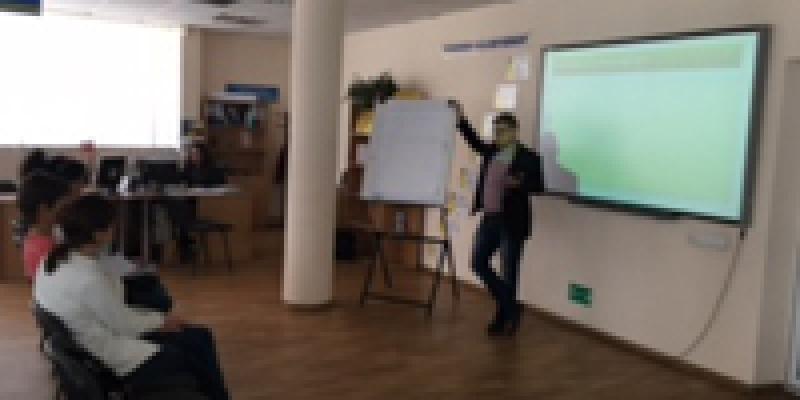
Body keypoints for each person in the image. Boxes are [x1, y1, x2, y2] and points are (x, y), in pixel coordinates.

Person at [34, 195, 230, 400]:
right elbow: (122, 324)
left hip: (88, 346)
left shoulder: (52, 261)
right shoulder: (88, 278)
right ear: (98, 234)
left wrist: (160, 321)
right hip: (109, 356)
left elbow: (114, 314)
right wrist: (162, 322)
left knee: (198, 339)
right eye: (112, 225)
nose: (115, 229)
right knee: (194, 349)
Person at [449, 100, 544, 336]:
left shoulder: (528, 157)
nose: (497, 134)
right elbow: (473, 141)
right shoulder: (491, 151)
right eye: (495, 130)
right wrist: (460, 119)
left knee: (509, 272)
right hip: (490, 219)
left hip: (512, 222)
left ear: (514, 132)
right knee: (477, 263)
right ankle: (512, 307)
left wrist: (520, 182)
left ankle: (503, 317)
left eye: (502, 130)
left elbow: (538, 186)